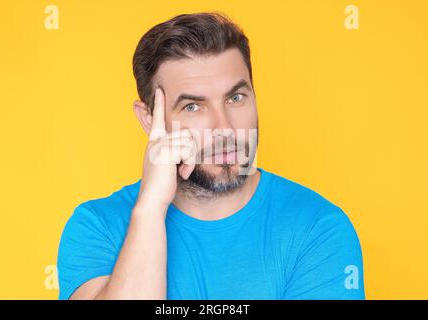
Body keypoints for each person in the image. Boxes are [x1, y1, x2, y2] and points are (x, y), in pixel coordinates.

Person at [57, 12, 365, 300]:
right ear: (150, 119)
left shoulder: (318, 227)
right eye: (193, 106)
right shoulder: (97, 226)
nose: (224, 128)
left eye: (235, 97)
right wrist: (151, 209)